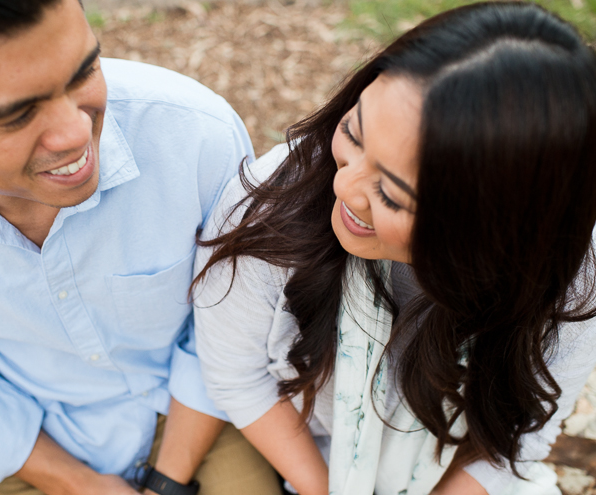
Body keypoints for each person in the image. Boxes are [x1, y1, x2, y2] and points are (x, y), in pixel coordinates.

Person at [0, 0, 285, 494]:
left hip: (199, 408)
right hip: (28, 432)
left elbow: (230, 325)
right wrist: (78, 484)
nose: (76, 133)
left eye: (83, 72)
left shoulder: (194, 135)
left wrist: (168, 481)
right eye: (17, 114)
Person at [192, 3, 596, 495]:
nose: (345, 186)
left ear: (492, 231)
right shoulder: (273, 205)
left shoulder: (571, 276)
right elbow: (238, 377)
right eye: (352, 133)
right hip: (305, 458)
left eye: (390, 195)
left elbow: (522, 438)